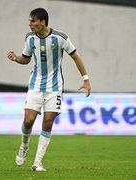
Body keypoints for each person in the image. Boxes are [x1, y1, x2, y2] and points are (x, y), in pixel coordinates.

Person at [7, 8, 91, 171]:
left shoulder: (60, 38)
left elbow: (75, 56)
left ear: (43, 22)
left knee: (47, 121)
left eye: (33, 21)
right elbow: (26, 59)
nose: (30, 24)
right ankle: (24, 145)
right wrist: (16, 58)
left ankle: (37, 162)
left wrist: (85, 79)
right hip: (35, 85)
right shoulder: (29, 38)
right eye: (29, 21)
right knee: (28, 121)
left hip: (54, 87)